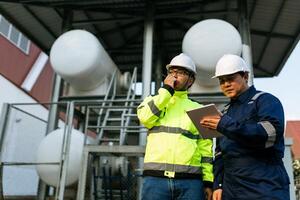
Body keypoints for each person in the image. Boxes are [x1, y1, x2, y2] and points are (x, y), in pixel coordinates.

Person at [200, 54, 290, 200]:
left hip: (265, 189)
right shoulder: (225, 113)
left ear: (245, 76)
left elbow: (269, 135)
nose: (226, 84)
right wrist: (218, 185)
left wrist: (224, 125)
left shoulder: (266, 101)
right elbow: (220, 154)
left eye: (230, 79)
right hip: (232, 191)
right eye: (222, 81)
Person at [137, 53, 214, 200]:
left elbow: (206, 151)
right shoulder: (153, 101)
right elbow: (144, 118)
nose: (175, 75)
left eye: (181, 72)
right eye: (172, 72)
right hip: (155, 181)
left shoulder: (202, 110)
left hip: (191, 183)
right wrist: (166, 91)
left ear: (191, 80)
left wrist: (208, 182)